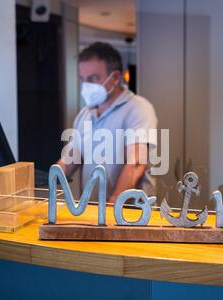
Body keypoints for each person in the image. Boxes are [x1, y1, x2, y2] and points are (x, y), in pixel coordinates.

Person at [57, 42, 158, 202]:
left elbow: (136, 164)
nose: (86, 86)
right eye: (83, 79)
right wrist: (46, 180)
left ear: (116, 77)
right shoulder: (85, 114)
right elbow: (70, 160)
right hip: (94, 213)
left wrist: (112, 205)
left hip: (130, 216)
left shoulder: (138, 108)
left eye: (93, 79)